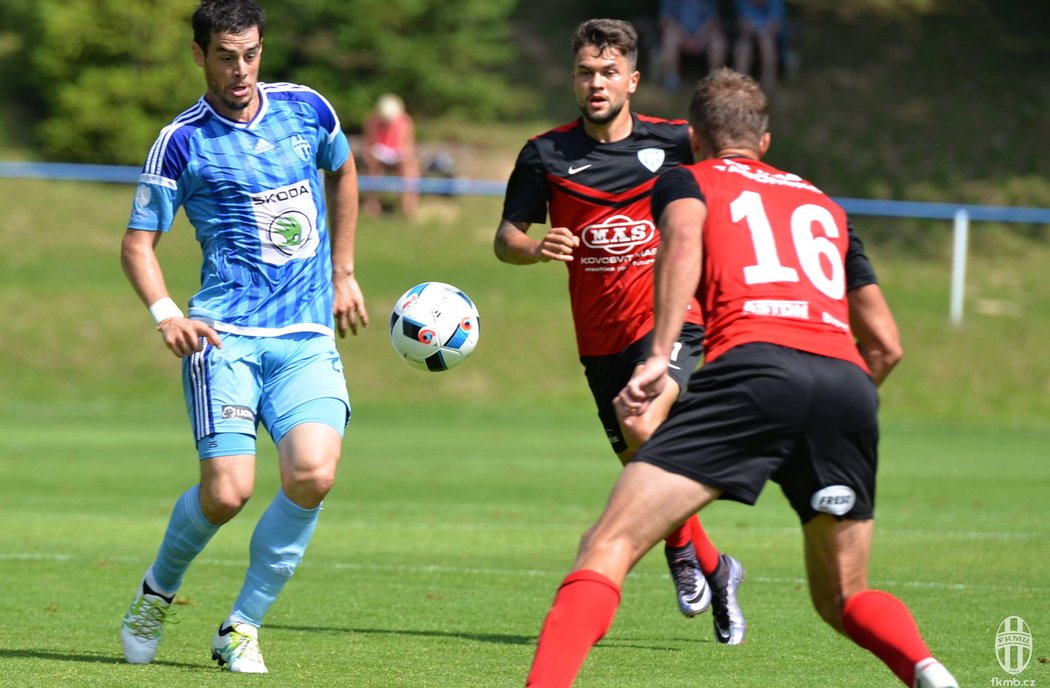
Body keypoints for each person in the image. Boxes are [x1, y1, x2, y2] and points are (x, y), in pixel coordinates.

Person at [523, 68, 959, 688]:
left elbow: (677, 245)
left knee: (607, 546)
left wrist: (658, 353)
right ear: (766, 141)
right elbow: (886, 346)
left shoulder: (686, 180)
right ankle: (927, 669)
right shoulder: (823, 205)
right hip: (845, 384)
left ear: (694, 137)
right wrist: (824, 411)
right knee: (844, 597)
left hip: (755, 372)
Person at [118, 0, 368, 673]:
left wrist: (343, 271)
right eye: (226, 55)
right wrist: (167, 313)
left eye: (250, 53)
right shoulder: (181, 141)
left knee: (314, 473)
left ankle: (242, 626)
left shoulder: (307, 109)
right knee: (227, 492)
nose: (240, 69)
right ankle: (157, 591)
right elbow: (138, 245)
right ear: (199, 54)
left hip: (307, 334)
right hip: (225, 338)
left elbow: (343, 171)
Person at [495, 18, 746, 646]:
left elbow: (733, 180)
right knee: (645, 468)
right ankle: (715, 565)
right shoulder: (544, 154)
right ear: (573, 79)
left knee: (642, 426)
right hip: (598, 341)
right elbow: (505, 239)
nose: (596, 82)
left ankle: (684, 557)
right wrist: (535, 247)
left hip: (670, 324)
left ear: (633, 79)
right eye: (585, 72)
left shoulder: (677, 143)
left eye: (608, 72)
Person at [361, 92, 420, 218]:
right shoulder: (372, 121)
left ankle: (408, 205)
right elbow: (368, 144)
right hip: (379, 156)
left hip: (398, 156)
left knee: (409, 168)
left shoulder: (405, 122)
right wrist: (370, 154)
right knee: (372, 165)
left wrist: (405, 154)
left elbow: (409, 146)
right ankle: (372, 204)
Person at [658, 0, 728, 91]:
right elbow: (665, 20)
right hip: (680, 36)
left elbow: (714, 21)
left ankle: (714, 79)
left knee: (718, 40)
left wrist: (700, 37)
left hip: (703, 37)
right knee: (669, 38)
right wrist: (685, 38)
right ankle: (671, 79)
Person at [733, 0, 786, 93]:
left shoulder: (776, 2)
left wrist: (761, 31)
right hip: (750, 36)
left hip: (772, 39)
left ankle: (768, 83)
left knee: (766, 40)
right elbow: (742, 24)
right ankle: (739, 82)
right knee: (744, 43)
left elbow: (776, 26)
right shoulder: (742, 2)